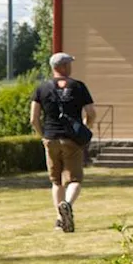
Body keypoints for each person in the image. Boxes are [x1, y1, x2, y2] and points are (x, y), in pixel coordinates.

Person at [29, 52, 95, 233]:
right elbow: (91, 113)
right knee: (74, 179)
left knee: (56, 181)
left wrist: (43, 135)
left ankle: (59, 220)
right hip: (71, 139)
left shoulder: (41, 88)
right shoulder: (79, 87)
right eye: (69, 63)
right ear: (64, 66)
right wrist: (84, 128)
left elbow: (34, 118)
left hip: (50, 137)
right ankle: (67, 204)